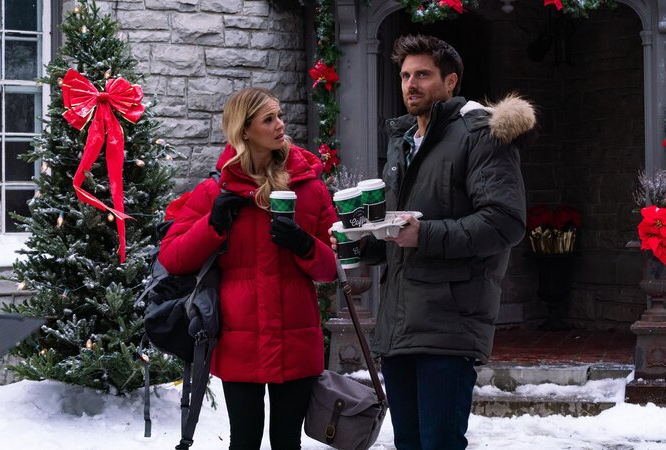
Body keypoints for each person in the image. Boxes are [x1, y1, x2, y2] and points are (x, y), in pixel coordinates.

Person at [335, 34, 535, 449]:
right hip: (399, 326)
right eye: (405, 75)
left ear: (450, 81)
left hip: (450, 322)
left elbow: (505, 222)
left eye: (423, 75)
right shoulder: (403, 142)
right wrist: (361, 241)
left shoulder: (480, 135)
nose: (411, 84)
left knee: (439, 443)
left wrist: (424, 235)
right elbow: (399, 234)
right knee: (408, 443)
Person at [158, 87, 338, 450]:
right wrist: (212, 224)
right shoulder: (215, 191)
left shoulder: (310, 188)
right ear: (244, 130)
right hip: (238, 340)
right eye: (269, 119)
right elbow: (173, 257)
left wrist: (304, 244)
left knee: (287, 443)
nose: (280, 125)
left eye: (280, 116)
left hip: (296, 339)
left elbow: (331, 269)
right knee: (243, 442)